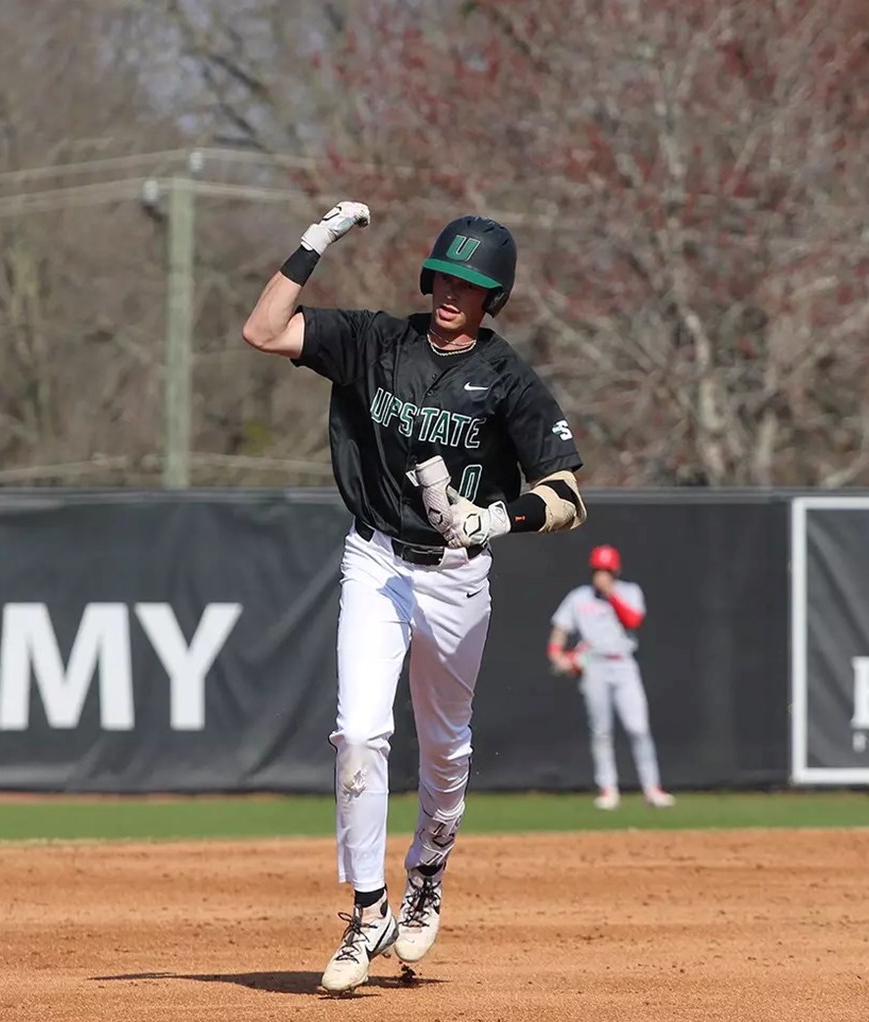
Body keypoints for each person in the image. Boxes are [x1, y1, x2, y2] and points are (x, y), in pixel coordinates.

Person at [241, 202, 588, 993]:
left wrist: (495, 518)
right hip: (377, 559)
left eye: (469, 284)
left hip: (457, 576)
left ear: (492, 296)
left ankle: (428, 869)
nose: (452, 292)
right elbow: (263, 331)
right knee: (359, 735)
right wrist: (314, 242)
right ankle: (369, 910)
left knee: (446, 746)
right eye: (444, 278)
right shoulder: (375, 343)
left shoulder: (509, 379)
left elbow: (569, 496)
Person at [548, 544, 675, 810]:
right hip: (594, 666)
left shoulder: (630, 591)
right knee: (601, 731)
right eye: (598, 570)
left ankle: (652, 789)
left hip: (624, 664)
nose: (601, 575)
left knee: (638, 728)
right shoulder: (579, 597)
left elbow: (633, 620)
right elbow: (560, 629)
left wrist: (611, 594)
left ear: (615, 571)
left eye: (606, 570)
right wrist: (557, 655)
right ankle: (608, 789)